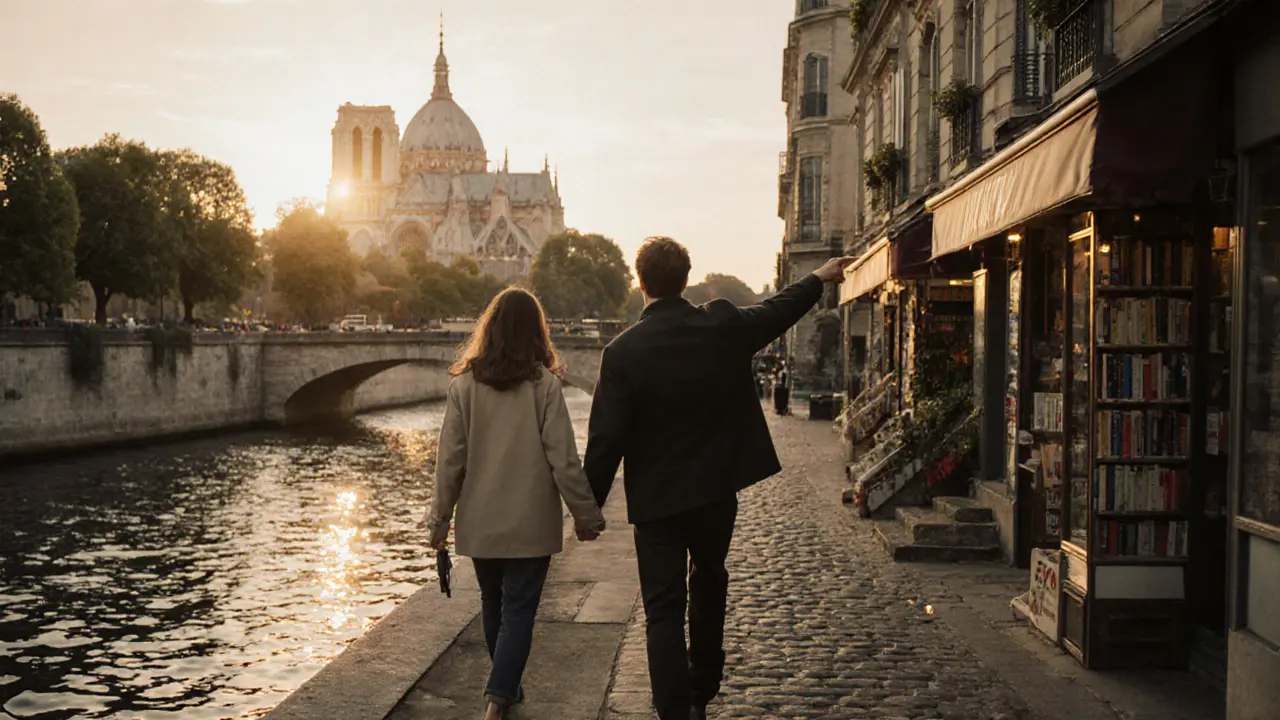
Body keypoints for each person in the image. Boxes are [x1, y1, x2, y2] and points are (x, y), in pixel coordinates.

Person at [583, 238, 852, 720]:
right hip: (713, 492)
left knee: (663, 608)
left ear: (640, 282)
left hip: (658, 502)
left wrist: (588, 510)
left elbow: (606, 440)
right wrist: (819, 277)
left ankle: (673, 710)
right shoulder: (721, 324)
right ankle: (703, 686)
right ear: (686, 279)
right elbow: (776, 311)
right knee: (709, 581)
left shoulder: (622, 352)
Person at [426, 287, 607, 720]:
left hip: (481, 519)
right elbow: (563, 458)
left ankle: (504, 689)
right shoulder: (544, 385)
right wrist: (586, 515)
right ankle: (498, 699)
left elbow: (449, 461)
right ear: (536, 332)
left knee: (493, 605)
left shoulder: (464, 386)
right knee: (519, 610)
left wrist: (438, 522)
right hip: (530, 522)